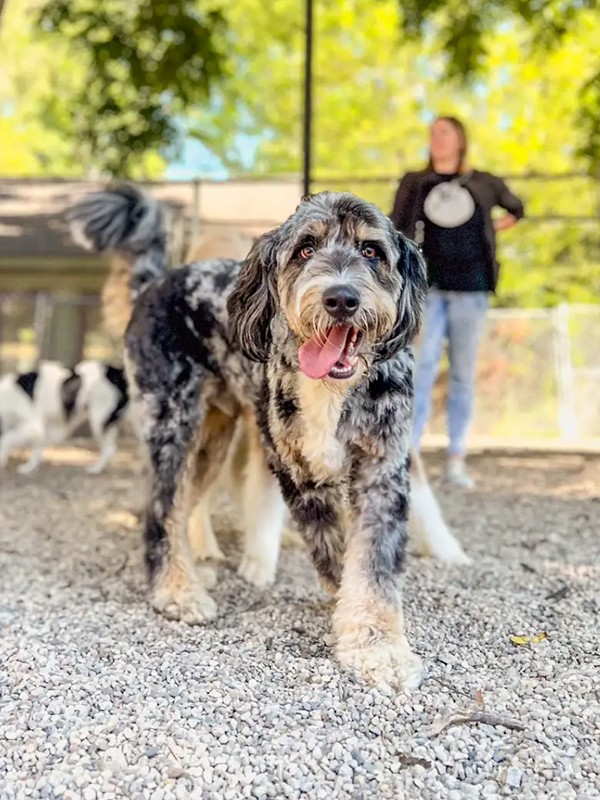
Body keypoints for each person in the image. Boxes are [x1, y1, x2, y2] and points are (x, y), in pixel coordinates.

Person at [390, 116, 524, 488]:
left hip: (473, 286)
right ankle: (408, 456)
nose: (437, 139)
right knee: (422, 367)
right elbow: (395, 226)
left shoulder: (484, 182)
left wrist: (491, 230)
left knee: (463, 372)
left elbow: (517, 209)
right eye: (433, 133)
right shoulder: (416, 183)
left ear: (460, 139)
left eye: (444, 133)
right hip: (428, 286)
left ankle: (455, 457)